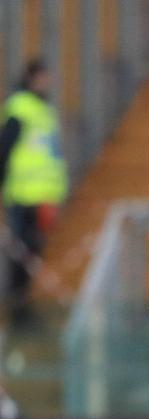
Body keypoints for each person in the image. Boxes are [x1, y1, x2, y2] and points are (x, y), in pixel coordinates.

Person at [0, 59, 68, 321]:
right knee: (22, 253)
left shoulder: (45, 111)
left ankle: (23, 305)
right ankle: (18, 310)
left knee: (33, 252)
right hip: (23, 194)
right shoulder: (20, 108)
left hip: (43, 195)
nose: (45, 82)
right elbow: (5, 148)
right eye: (41, 77)